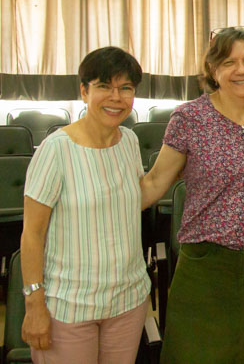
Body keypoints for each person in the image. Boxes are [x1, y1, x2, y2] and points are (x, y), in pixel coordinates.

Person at [140, 26, 244, 364]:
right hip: (206, 267)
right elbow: (154, 183)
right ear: (212, 70)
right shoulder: (189, 117)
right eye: (229, 62)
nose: (241, 70)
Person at [21, 47, 151, 364]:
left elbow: (134, 200)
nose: (116, 97)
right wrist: (34, 304)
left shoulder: (129, 142)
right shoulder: (55, 150)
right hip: (68, 307)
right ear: (84, 91)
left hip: (127, 302)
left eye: (126, 88)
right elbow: (32, 234)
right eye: (104, 86)